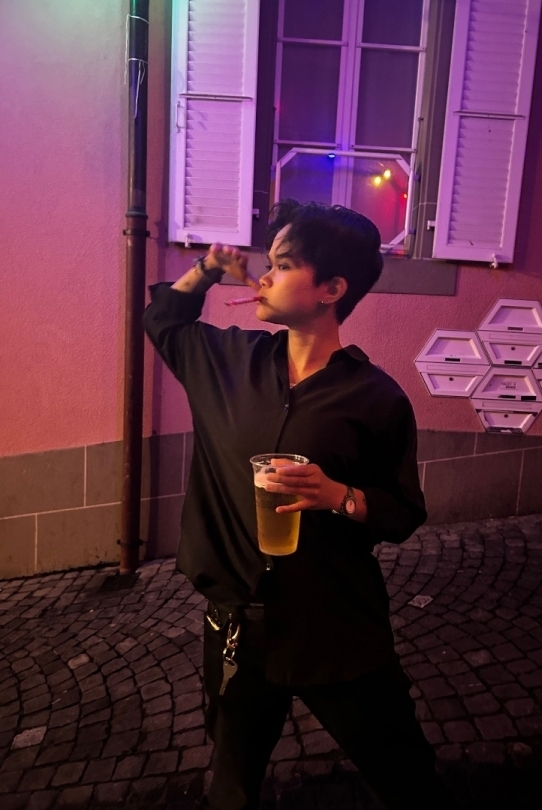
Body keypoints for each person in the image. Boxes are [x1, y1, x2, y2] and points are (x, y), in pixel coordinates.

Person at [143, 201, 453, 809]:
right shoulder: (228, 361)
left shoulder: (376, 399)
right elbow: (163, 319)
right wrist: (207, 268)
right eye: (268, 263)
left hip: (334, 624)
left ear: (332, 289)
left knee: (407, 778)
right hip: (237, 626)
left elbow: (401, 512)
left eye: (283, 266)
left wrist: (338, 496)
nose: (263, 277)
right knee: (231, 787)